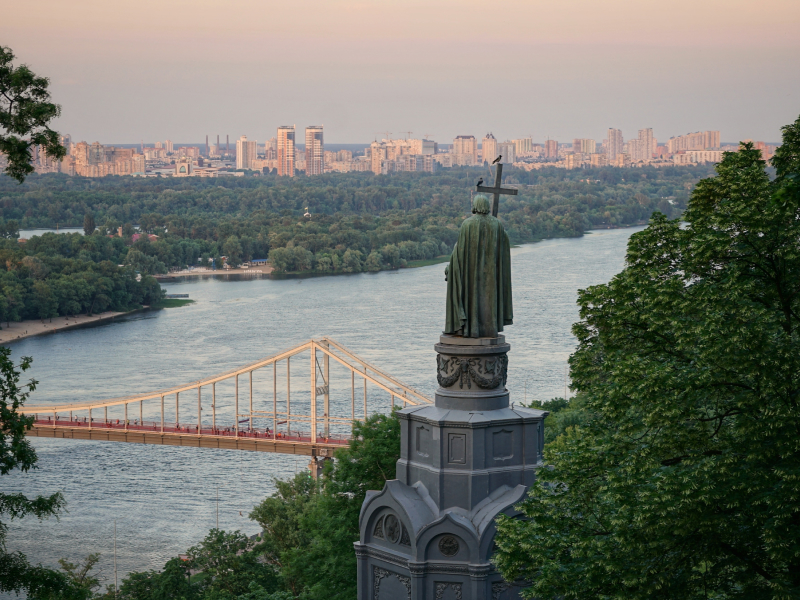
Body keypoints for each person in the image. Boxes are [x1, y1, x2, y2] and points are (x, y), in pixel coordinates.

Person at [444, 194, 513, 338]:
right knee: (488, 300)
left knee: (471, 298)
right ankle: (489, 328)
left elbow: (460, 251)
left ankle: (470, 328)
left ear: (475, 206)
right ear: (486, 206)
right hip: (491, 275)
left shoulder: (468, 224)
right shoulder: (497, 225)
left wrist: (451, 267)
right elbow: (504, 249)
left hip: (470, 275)